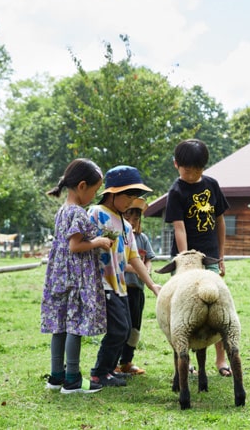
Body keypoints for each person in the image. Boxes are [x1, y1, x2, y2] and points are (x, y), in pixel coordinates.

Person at [41, 158, 111, 394]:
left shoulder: (62, 211)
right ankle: (72, 380)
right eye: (94, 190)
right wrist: (98, 242)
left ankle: (56, 376)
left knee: (59, 326)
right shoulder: (78, 214)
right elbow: (75, 246)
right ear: (82, 186)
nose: (95, 195)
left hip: (59, 277)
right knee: (74, 326)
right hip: (76, 278)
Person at [164, 138, 233, 377]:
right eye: (186, 170)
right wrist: (186, 261)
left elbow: (220, 221)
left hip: (211, 257)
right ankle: (183, 361)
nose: (192, 175)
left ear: (204, 167)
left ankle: (221, 359)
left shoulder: (212, 185)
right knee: (180, 310)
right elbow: (179, 227)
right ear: (176, 165)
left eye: (197, 170)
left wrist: (221, 256)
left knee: (217, 307)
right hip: (186, 261)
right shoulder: (175, 192)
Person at [88, 165, 162, 387]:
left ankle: (109, 370)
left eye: (135, 196)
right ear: (112, 193)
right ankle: (99, 372)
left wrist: (151, 285)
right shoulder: (96, 214)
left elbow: (134, 258)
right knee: (118, 328)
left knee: (125, 328)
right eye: (129, 195)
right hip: (102, 283)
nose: (132, 201)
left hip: (120, 285)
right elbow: (82, 244)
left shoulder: (126, 225)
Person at [116, 197, 155, 375]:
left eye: (136, 219)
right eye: (128, 218)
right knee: (122, 327)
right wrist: (139, 270)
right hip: (122, 289)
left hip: (138, 290)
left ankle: (127, 362)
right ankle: (114, 362)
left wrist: (145, 271)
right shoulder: (119, 238)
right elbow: (121, 264)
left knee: (135, 328)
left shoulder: (143, 239)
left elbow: (148, 261)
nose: (132, 223)